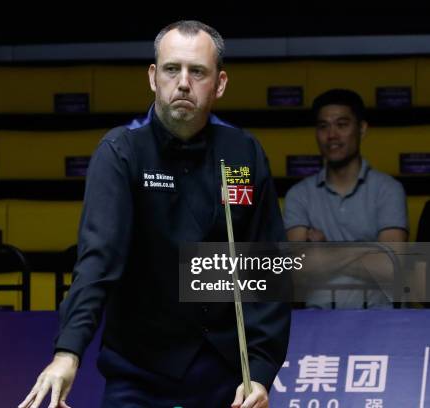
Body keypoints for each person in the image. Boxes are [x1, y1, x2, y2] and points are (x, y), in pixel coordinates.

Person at [20, 20, 290, 408]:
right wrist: (68, 352)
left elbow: (267, 267)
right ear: (153, 77)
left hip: (227, 378)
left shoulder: (242, 155)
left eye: (197, 71)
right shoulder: (121, 153)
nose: (183, 82)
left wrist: (261, 373)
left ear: (220, 83)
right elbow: (98, 261)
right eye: (171, 69)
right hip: (139, 373)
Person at [284, 89, 408, 308]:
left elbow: (391, 268)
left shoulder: (389, 190)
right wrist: (370, 252)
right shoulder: (299, 195)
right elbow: (296, 272)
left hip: (379, 324)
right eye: (323, 126)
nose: (332, 135)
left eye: (342, 125)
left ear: (362, 129)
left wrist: (325, 250)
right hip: (316, 323)